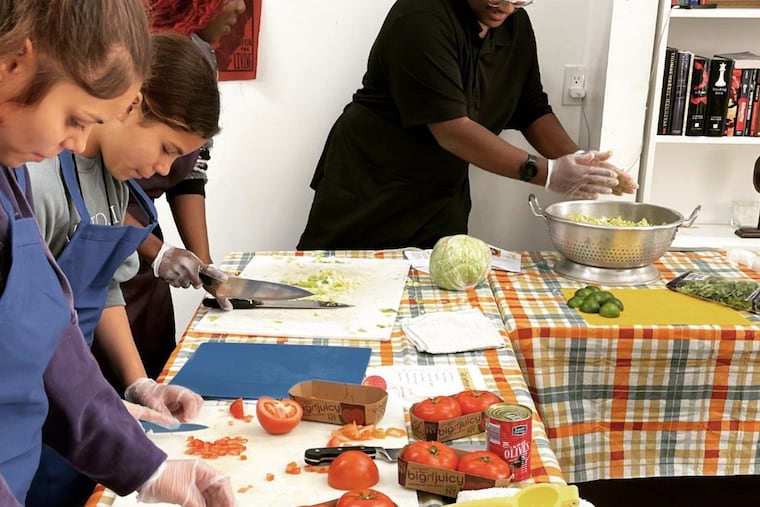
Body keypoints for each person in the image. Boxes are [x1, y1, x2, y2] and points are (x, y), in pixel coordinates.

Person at [0, 1, 234, 506]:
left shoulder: (14, 169)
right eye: (74, 118)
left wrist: (138, 444)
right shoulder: (33, 168)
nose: (78, 140)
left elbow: (49, 326)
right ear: (14, 61)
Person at [297, 0, 638, 251]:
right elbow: (451, 128)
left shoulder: (515, 25)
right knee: (338, 292)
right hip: (369, 186)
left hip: (441, 195)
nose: (504, 5)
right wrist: (548, 173)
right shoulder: (420, 16)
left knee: (435, 294)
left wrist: (583, 162)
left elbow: (531, 108)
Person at [118, 0, 247, 381]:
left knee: (152, 373)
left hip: (141, 257)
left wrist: (202, 263)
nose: (240, 9)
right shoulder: (127, 59)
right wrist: (157, 252)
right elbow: (95, 205)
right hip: (106, 248)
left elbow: (192, 170)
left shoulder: (200, 58)